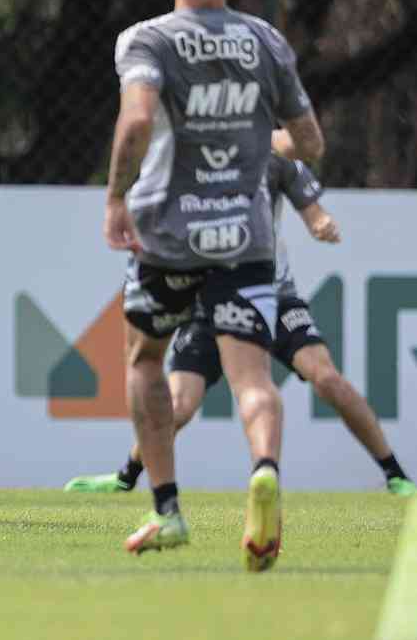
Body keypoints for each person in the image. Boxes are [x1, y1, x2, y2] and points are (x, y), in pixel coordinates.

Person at [104, 0, 324, 569]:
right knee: (252, 377)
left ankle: (167, 509)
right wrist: (262, 144)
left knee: (146, 361)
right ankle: (264, 470)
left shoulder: (147, 39)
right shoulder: (267, 41)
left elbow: (137, 123)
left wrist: (115, 196)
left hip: (168, 236)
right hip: (248, 237)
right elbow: (309, 143)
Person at [67, 153, 416, 496]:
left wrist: (320, 221)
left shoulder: (272, 161)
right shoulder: (184, 165)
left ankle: (395, 475)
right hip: (206, 306)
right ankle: (126, 477)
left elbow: (308, 187)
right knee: (178, 404)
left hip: (273, 298)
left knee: (325, 377)